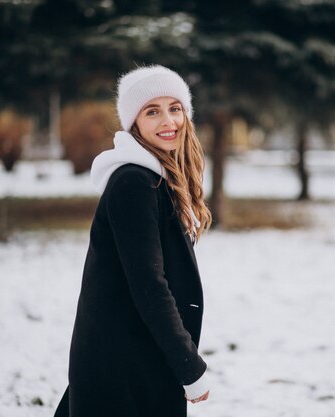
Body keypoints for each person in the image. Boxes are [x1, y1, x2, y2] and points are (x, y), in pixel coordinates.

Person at [53, 65, 211, 417]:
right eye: (152, 111)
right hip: (123, 365)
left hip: (137, 355)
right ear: (134, 123)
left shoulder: (158, 179)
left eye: (175, 108)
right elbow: (149, 285)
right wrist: (189, 365)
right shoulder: (134, 184)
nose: (168, 120)